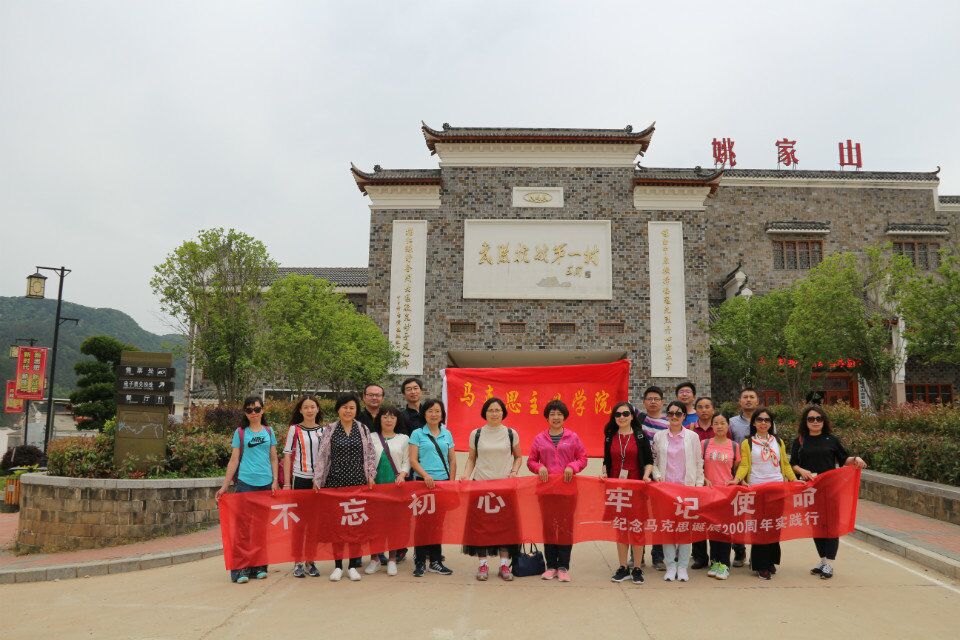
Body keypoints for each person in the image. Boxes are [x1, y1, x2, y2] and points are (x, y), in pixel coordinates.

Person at [790, 405, 867, 580]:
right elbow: (793, 463)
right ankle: (823, 561)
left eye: (819, 418)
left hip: (831, 489)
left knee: (831, 526)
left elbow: (844, 459)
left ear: (824, 421)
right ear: (805, 422)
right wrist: (802, 471)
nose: (815, 422)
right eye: (811, 419)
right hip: (810, 490)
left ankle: (829, 563)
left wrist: (856, 459)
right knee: (816, 525)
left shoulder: (831, 440)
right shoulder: (800, 441)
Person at [313, 393, 377, 582]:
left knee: (355, 525)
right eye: (344, 407)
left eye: (351, 408)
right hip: (335, 483)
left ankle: (353, 565)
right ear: (338, 409)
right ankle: (338, 566)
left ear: (356, 410)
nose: (348, 411)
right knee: (337, 526)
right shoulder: (330, 429)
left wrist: (371, 475)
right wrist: (317, 479)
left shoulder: (363, 429)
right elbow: (322, 456)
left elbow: (371, 454)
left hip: (358, 483)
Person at [216, 396, 278, 584]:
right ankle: (241, 569)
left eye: (257, 409)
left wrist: (275, 481)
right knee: (243, 528)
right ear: (245, 412)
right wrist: (225, 486)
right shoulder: (240, 432)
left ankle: (259, 566)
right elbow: (234, 459)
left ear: (262, 410)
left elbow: (274, 458)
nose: (254, 413)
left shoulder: (269, 431)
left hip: (265, 484)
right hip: (245, 484)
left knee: (260, 528)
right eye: (249, 410)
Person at [462, 397, 523, 582]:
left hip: (504, 488)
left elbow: (518, 457)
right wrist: (465, 476)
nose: (494, 413)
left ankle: (504, 565)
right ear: (485, 413)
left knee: (505, 527)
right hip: (480, 486)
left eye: (497, 410)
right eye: (491, 410)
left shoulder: (511, 433)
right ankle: (483, 564)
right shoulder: (476, 434)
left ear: (503, 413)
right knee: (481, 528)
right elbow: (471, 458)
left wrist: (514, 472)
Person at [526, 399, 588, 583]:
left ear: (564, 417)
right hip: (546, 491)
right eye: (552, 414)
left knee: (565, 528)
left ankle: (563, 567)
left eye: (559, 414)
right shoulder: (539, 438)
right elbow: (531, 461)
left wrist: (572, 466)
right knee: (548, 527)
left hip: (567, 491)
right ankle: (551, 566)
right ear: (547, 417)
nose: (556, 417)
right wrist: (539, 467)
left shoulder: (573, 437)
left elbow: (583, 458)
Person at [734, 407, 797, 580]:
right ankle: (760, 564)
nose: (763, 423)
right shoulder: (747, 443)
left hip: (777, 489)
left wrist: (794, 480)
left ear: (771, 423)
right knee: (760, 527)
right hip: (757, 489)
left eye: (767, 420)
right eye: (759, 420)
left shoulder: (778, 441)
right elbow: (744, 465)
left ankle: (770, 561)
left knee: (774, 526)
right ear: (754, 423)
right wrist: (737, 479)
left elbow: (785, 464)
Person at [651, 400, 704, 582]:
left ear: (684, 416)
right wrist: (657, 475)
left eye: (678, 413)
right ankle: (670, 565)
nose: (674, 416)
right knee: (667, 528)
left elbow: (698, 462)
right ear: (667, 415)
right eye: (671, 413)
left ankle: (682, 566)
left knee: (684, 529)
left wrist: (698, 486)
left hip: (687, 489)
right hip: (666, 490)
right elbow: (654, 461)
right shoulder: (659, 436)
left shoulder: (692, 437)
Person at [601, 401, 653, 585]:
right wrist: (604, 473)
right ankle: (623, 567)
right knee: (621, 528)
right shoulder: (610, 436)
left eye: (625, 414)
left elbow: (649, 461)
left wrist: (646, 475)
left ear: (632, 416)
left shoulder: (640, 435)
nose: (621, 417)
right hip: (617, 489)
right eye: (618, 414)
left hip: (636, 488)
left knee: (637, 527)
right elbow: (607, 460)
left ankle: (637, 568)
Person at [408, 398, 457, 578]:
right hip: (423, 483)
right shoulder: (417, 434)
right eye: (430, 411)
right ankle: (420, 562)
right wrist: (426, 475)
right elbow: (413, 460)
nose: (434, 414)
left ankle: (436, 561)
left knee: (437, 524)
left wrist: (451, 482)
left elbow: (452, 460)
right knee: (422, 525)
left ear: (442, 414)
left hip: (442, 484)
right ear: (424, 414)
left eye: (437, 411)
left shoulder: (447, 433)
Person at [365, 406, 411, 577]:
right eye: (385, 416)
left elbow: (407, 461)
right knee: (374, 525)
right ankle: (375, 559)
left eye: (392, 417)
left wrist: (403, 474)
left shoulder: (404, 439)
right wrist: (369, 475)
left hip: (395, 487)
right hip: (375, 486)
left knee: (393, 525)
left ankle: (392, 559)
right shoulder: (371, 437)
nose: (389, 420)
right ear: (379, 419)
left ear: (397, 420)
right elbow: (367, 459)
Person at [283, 395, 325, 579]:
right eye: (306, 407)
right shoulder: (294, 429)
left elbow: (326, 456)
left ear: (317, 409)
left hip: (318, 482)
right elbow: (287, 455)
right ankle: (297, 562)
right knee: (299, 524)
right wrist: (286, 483)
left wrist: (321, 478)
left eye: (312, 406)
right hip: (300, 479)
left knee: (314, 524)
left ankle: (310, 561)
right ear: (300, 410)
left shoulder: (323, 430)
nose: (309, 410)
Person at [701, 414, 740, 580]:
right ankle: (715, 562)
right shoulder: (705, 444)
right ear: (712, 426)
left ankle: (724, 564)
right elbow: (698, 465)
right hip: (709, 493)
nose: (719, 426)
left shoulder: (734, 446)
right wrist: (704, 478)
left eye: (722, 423)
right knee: (712, 528)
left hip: (727, 494)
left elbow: (737, 469)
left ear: (727, 426)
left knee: (725, 529)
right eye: (716, 423)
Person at [728, 386, 759, 567]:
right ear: (740, 401)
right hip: (737, 474)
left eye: (751, 397)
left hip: (759, 475)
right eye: (745, 397)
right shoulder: (731, 423)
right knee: (737, 515)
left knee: (758, 515)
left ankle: (758, 553)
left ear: (757, 401)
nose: (748, 400)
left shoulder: (765, 420)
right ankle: (739, 551)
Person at [640, 386, 668, 570]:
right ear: (644, 402)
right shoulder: (637, 421)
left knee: (659, 516)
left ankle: (658, 557)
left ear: (662, 402)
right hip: (639, 474)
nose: (653, 402)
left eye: (656, 399)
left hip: (660, 475)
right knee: (638, 516)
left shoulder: (668, 423)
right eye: (649, 399)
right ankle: (637, 555)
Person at [689, 396, 717, 569]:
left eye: (707, 406)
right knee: (697, 520)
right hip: (697, 482)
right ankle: (699, 557)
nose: (704, 410)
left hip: (718, 482)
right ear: (696, 410)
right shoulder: (690, 430)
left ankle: (717, 557)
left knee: (716, 521)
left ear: (713, 409)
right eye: (700, 407)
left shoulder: (720, 427)